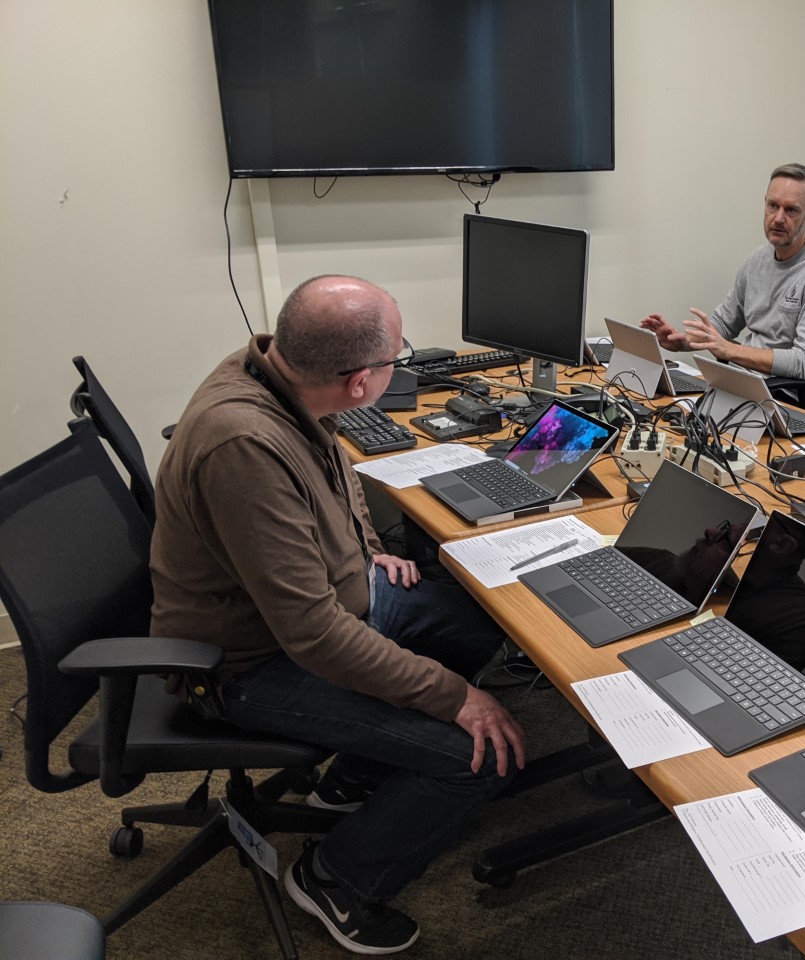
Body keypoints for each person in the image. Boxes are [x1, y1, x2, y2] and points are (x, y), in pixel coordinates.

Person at [150, 275, 525, 955]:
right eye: (396, 358)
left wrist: (368, 548)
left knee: (478, 617)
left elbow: (335, 469)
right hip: (244, 664)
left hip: (322, 604)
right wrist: (456, 699)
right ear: (359, 383)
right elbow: (315, 635)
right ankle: (336, 879)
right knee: (480, 758)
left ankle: (356, 776)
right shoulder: (242, 444)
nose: (400, 365)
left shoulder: (281, 376)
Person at [641, 163, 805, 380]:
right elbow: (723, 325)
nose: (778, 218)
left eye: (791, 210)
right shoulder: (757, 260)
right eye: (773, 206)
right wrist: (681, 342)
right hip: (738, 382)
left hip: (782, 398)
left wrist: (730, 350)